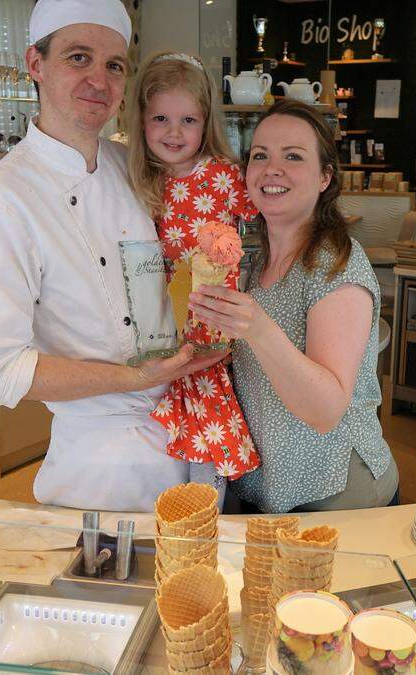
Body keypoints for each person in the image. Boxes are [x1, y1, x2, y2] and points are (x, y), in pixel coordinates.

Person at [0, 0, 224, 511]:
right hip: (102, 467)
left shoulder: (135, 166)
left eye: (114, 65)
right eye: (79, 58)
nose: (99, 81)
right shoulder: (2, 198)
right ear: (36, 64)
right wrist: (136, 378)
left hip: (190, 434)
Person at [189, 100, 398, 513]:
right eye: (260, 156)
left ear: (325, 177)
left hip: (335, 491)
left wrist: (259, 329)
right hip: (263, 488)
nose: (272, 169)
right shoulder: (252, 262)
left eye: (293, 156)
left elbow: (325, 411)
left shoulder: (336, 265)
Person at [124, 50, 262, 495]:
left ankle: (206, 513)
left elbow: (271, 219)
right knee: (173, 428)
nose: (174, 132)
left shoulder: (224, 176)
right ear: (142, 120)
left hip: (213, 321)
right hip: (163, 325)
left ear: (206, 123)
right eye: (161, 118)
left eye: (188, 120)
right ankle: (188, 512)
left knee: (211, 418)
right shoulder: (143, 180)